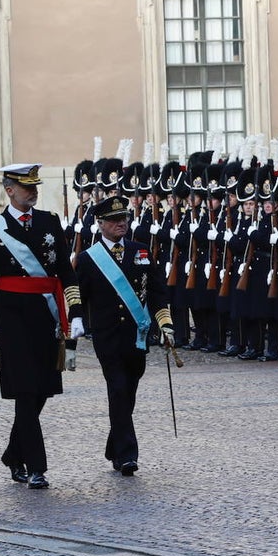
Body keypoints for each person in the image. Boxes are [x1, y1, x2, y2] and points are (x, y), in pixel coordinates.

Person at [0, 164, 84, 489]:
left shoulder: (49, 222)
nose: (33, 191)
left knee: (41, 391)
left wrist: (75, 312)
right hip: (12, 318)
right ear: (9, 191)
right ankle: (37, 468)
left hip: (47, 316)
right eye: (26, 187)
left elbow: (65, 271)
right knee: (25, 390)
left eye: (35, 186)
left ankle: (12, 454)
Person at [74, 196, 175, 475]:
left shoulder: (140, 251)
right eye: (115, 220)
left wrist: (164, 323)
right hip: (107, 337)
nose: (121, 224)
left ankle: (114, 444)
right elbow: (78, 298)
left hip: (137, 335)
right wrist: (75, 326)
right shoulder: (87, 259)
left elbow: (156, 291)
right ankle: (127, 455)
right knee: (117, 389)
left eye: (124, 219)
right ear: (101, 224)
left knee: (128, 392)